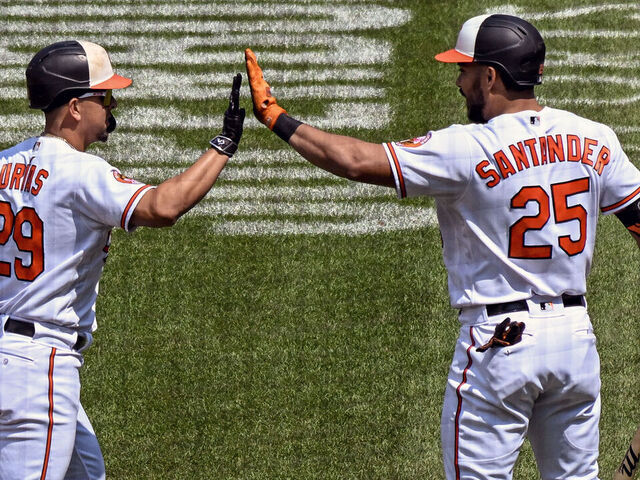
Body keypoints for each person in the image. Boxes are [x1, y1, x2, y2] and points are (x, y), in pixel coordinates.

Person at [244, 13, 640, 480]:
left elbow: (353, 161)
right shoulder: (596, 138)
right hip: (575, 341)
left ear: (490, 76)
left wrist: (275, 117)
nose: (458, 81)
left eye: (465, 70)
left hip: (500, 345)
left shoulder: (466, 147)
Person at [0, 40, 244, 479]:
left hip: (9, 354)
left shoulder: (4, 163)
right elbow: (162, 207)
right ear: (75, 107)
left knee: (87, 472)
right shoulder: (80, 171)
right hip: (37, 370)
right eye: (105, 97)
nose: (112, 106)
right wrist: (221, 147)